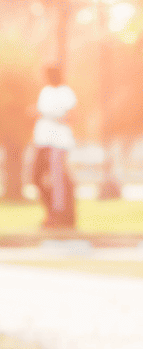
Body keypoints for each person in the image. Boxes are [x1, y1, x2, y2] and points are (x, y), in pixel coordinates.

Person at [31, 65, 77, 229]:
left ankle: (60, 214)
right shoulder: (45, 92)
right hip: (42, 141)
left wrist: (49, 115)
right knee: (36, 177)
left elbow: (69, 116)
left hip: (59, 142)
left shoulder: (66, 92)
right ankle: (51, 210)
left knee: (58, 180)